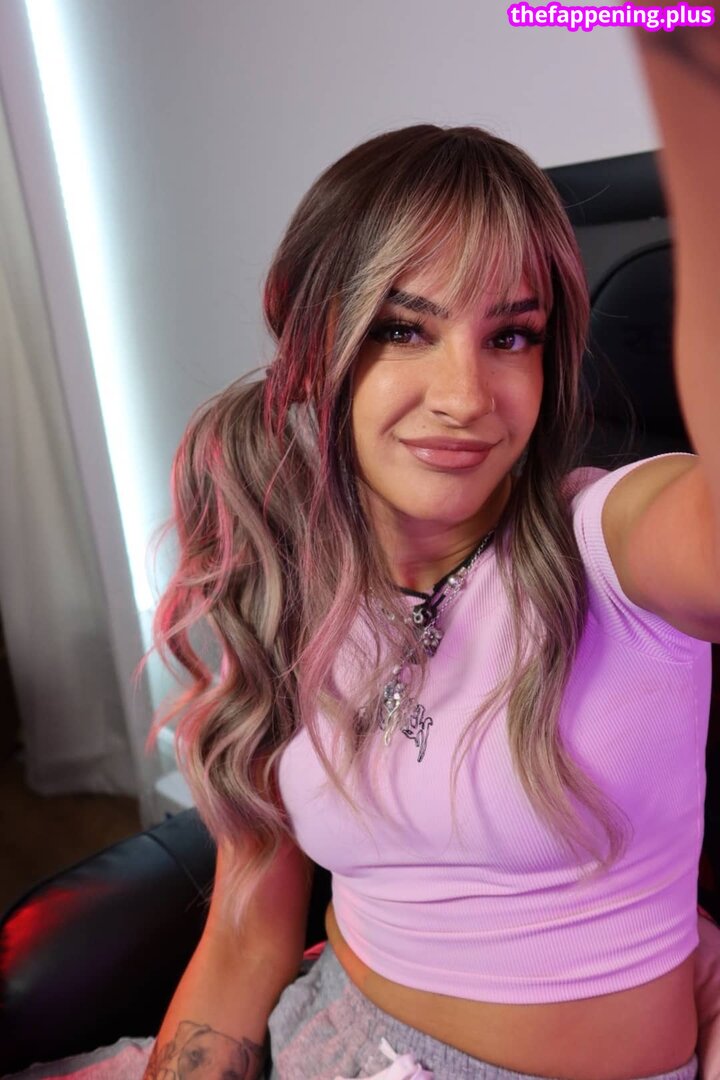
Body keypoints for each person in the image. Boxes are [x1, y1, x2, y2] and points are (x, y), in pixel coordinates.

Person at [137, 20, 720, 1080]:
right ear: (312, 351)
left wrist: (687, 52)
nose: (464, 397)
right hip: (325, 1037)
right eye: (404, 328)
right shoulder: (288, 580)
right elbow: (243, 939)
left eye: (511, 336)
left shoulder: (614, 547)